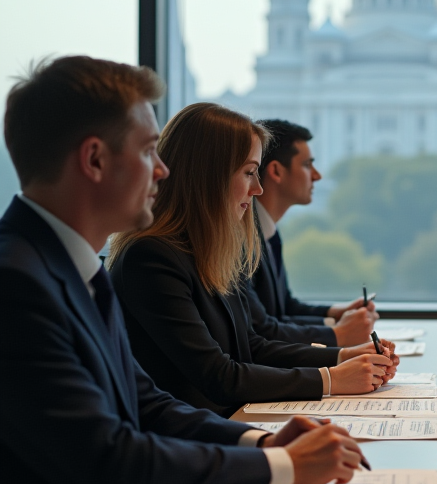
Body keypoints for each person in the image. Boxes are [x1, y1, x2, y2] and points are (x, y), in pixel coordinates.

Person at [0, 55, 367, 483]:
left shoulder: (75, 268)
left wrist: (263, 443)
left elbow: (147, 404)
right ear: (95, 160)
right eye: (147, 150)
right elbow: (105, 456)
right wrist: (285, 466)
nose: (163, 170)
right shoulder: (17, 284)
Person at [110, 103, 397, 418]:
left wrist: (344, 356)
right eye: (249, 173)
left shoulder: (212, 249)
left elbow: (252, 345)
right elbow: (218, 376)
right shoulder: (151, 258)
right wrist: (331, 378)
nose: (258, 188)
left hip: (232, 420)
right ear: (209, 175)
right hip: (200, 436)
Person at [246, 119, 376, 348]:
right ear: (276, 171)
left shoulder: (268, 231)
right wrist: (338, 334)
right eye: (307, 165)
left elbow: (284, 308)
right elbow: (261, 328)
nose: (317, 176)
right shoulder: (241, 239)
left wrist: (336, 314)